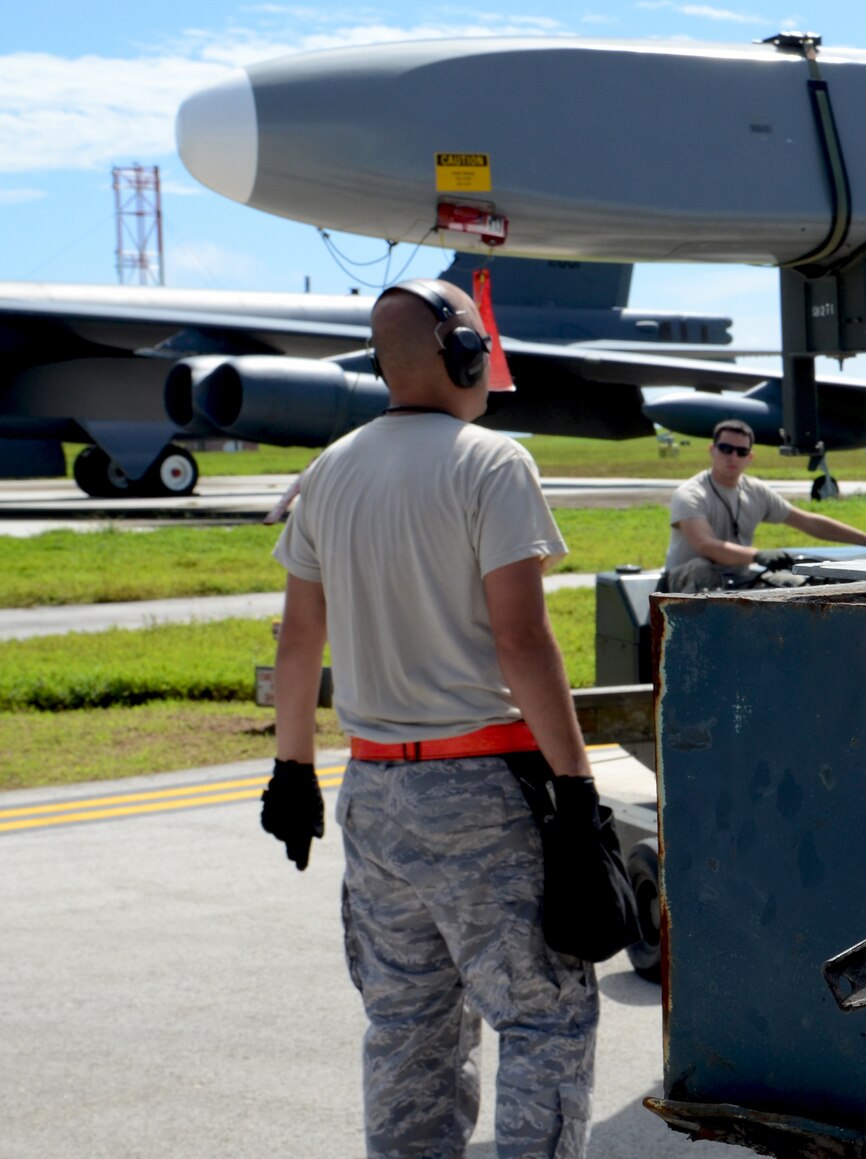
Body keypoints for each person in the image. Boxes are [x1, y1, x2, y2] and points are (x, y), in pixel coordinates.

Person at [261, 278, 599, 1157]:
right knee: (543, 1020)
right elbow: (523, 640)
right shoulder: (492, 461)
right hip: (480, 785)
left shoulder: (328, 471)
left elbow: (299, 642)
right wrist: (576, 787)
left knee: (407, 1026)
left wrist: (290, 770)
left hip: (371, 791)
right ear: (464, 352)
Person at [661, 419, 866, 592]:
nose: (732, 456)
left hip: (738, 576)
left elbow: (808, 521)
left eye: (740, 451)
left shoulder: (755, 490)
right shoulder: (690, 493)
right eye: (725, 449)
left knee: (805, 585)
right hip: (684, 583)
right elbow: (706, 545)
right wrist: (758, 555)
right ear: (712, 450)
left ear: (750, 457)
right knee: (703, 569)